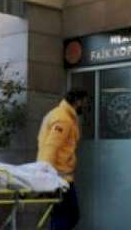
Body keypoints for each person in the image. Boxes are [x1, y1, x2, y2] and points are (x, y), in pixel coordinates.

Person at [37, 89, 89, 230]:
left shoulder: (63, 115)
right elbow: (51, 147)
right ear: (77, 101)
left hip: (61, 177)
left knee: (63, 217)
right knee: (67, 216)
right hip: (59, 178)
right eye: (84, 102)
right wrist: (45, 175)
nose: (85, 106)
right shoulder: (63, 119)